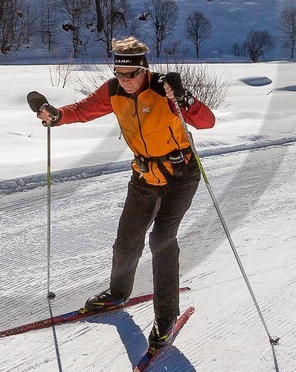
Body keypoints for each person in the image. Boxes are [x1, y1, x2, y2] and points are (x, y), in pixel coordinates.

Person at [32, 36, 215, 351]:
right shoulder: (113, 91)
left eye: (131, 74)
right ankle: (118, 293)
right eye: (119, 73)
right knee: (127, 239)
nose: (125, 80)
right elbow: (84, 110)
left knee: (162, 239)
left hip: (180, 175)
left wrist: (185, 98)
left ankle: (166, 316)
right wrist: (57, 116)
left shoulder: (164, 89)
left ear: (144, 69)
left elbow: (207, 122)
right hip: (144, 174)